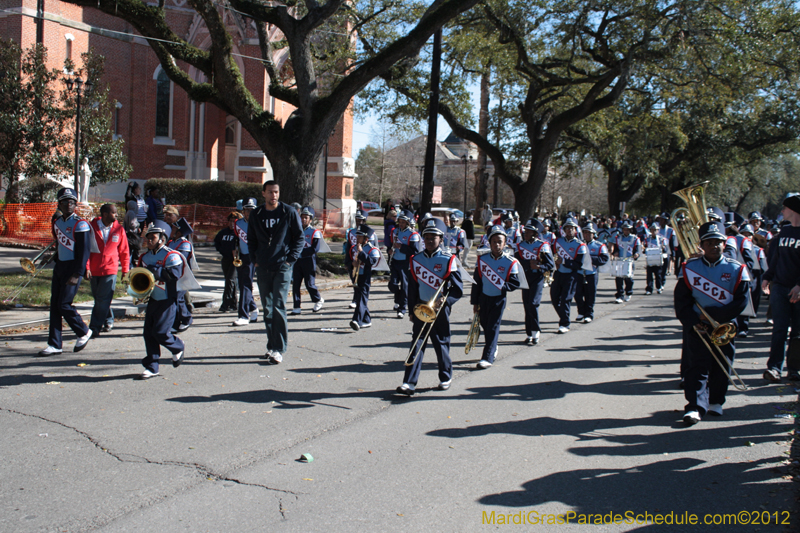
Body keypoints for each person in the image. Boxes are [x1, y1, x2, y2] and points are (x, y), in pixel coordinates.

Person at [676, 221, 749, 424]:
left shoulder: (736, 268)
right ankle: (695, 406)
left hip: (724, 325)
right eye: (710, 242)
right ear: (702, 245)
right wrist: (693, 321)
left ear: (724, 244)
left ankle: (716, 401)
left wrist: (718, 317)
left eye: (718, 242)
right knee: (696, 366)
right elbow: (681, 300)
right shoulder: (690, 268)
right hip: (698, 326)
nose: (714, 246)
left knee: (722, 364)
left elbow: (741, 301)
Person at [396, 218, 464, 395]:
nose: (429, 240)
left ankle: (445, 376)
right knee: (416, 344)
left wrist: (445, 301)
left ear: (441, 239)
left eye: (433, 237)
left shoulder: (450, 260)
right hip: (421, 307)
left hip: (440, 309)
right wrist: (411, 309)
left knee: (441, 343)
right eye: (426, 237)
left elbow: (457, 289)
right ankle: (409, 383)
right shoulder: (415, 259)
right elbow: (412, 288)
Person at [248, 181, 305, 365]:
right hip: (263, 266)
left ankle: (279, 349)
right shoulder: (256, 213)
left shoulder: (288, 212)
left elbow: (299, 237)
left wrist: (290, 260)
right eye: (271, 192)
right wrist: (254, 259)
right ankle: (271, 345)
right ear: (263, 193)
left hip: (282, 266)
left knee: (279, 306)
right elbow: (251, 239)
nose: (274, 195)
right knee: (267, 307)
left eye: (277, 192)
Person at [38, 188, 94, 356]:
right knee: (55, 305)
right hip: (60, 266)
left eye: (72, 202)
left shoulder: (81, 224)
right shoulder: (57, 223)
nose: (69, 205)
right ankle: (55, 344)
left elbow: (84, 252)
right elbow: (61, 245)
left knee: (64, 304)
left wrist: (78, 273)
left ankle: (84, 331)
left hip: (73, 268)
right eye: (65, 202)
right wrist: (52, 256)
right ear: (59, 204)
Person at [137, 221, 186, 379]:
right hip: (153, 298)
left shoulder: (171, 255)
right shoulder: (145, 257)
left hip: (167, 299)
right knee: (148, 334)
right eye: (148, 237)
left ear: (162, 239)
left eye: (153, 237)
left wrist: (155, 271)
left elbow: (174, 275)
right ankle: (152, 366)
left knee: (160, 332)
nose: (149, 240)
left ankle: (177, 347)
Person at [762, 194, 800, 382]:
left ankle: (794, 369)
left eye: (784, 208)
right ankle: (774, 368)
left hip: (798, 291)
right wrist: (767, 278)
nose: (782, 211)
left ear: (793, 210)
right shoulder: (783, 233)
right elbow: (775, 260)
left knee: (798, 332)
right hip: (779, 288)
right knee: (779, 329)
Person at [471, 225, 521, 368]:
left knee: (493, 326)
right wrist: (475, 302)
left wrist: (501, 286)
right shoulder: (482, 260)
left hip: (498, 299)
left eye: (500, 241)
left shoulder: (511, 262)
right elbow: (477, 282)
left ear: (505, 243)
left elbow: (514, 283)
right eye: (494, 241)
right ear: (489, 242)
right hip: (483, 298)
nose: (497, 244)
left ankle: (487, 357)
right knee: (485, 325)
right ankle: (493, 347)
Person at [86, 203, 130, 337]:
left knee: (102, 299)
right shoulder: (91, 227)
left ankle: (94, 327)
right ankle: (108, 319)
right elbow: (85, 250)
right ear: (105, 214)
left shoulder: (119, 229)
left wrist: (125, 271)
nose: (117, 215)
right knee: (99, 299)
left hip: (110, 269)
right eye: (114, 212)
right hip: (94, 269)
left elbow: (124, 251)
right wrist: (86, 267)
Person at [516, 218, 555, 345]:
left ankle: (535, 330)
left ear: (534, 233)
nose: (525, 233)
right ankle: (529, 333)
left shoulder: (543, 246)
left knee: (533, 303)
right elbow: (516, 262)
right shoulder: (520, 246)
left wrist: (539, 267)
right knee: (527, 305)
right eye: (525, 231)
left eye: (528, 231)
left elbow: (550, 264)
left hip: (537, 278)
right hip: (525, 277)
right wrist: (528, 264)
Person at [550, 218, 591, 333]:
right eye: (567, 228)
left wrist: (563, 261)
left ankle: (565, 323)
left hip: (572, 275)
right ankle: (564, 316)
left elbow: (578, 264)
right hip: (558, 273)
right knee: (554, 297)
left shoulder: (580, 245)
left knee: (566, 299)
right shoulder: (558, 241)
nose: (569, 230)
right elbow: (553, 255)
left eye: (571, 228)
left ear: (575, 230)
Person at [388, 210, 422, 318]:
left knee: (404, 286)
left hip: (405, 262)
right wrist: (390, 250)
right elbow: (391, 244)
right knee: (392, 284)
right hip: (395, 260)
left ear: (407, 223)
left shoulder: (413, 234)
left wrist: (401, 247)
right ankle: (398, 299)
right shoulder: (395, 231)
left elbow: (414, 251)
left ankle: (402, 309)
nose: (401, 224)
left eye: (403, 222)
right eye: (400, 222)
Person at [292, 206, 324, 314]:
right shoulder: (296, 230)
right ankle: (296, 307)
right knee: (296, 284)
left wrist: (300, 252)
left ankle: (318, 299)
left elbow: (315, 248)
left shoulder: (315, 232)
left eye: (306, 218)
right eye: (302, 217)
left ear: (310, 219)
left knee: (309, 284)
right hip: (297, 261)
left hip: (308, 261)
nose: (304, 219)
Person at [350, 226, 383, 331]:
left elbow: (372, 262)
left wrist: (361, 253)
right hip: (357, 276)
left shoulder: (372, 249)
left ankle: (356, 320)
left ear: (366, 238)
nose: (357, 238)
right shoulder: (354, 247)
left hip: (365, 276)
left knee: (361, 300)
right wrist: (353, 264)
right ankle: (367, 320)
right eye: (357, 235)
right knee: (361, 299)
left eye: (359, 236)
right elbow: (351, 259)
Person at [232, 198, 260, 326]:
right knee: (243, 283)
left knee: (245, 285)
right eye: (247, 210)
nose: (249, 212)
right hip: (242, 256)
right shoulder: (238, 223)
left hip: (253, 256)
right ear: (243, 211)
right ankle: (253, 309)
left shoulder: (259, 223)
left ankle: (243, 315)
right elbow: (236, 238)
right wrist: (235, 250)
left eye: (251, 210)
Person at [575, 222, 609, 324]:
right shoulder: (579, 244)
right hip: (580, 272)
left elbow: (604, 258)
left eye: (589, 233)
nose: (587, 235)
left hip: (591, 273)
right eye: (585, 233)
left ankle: (589, 314)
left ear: (593, 234)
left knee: (590, 294)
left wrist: (590, 259)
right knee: (578, 294)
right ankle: (581, 311)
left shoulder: (599, 245)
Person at [214, 212, 241, 313]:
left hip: (236, 260)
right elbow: (217, 242)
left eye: (234, 222)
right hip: (226, 259)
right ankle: (234, 303)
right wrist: (222, 250)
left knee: (230, 280)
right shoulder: (223, 232)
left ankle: (225, 304)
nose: (231, 223)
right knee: (230, 281)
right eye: (230, 221)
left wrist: (237, 252)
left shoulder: (238, 233)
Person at [612, 221, 640, 303]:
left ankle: (628, 293)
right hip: (620, 260)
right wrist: (615, 253)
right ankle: (620, 295)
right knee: (619, 278)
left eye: (627, 230)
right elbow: (615, 248)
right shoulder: (618, 238)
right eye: (624, 230)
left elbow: (637, 250)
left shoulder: (635, 238)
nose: (626, 231)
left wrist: (636, 254)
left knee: (629, 278)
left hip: (629, 260)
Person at [644, 223, 669, 295]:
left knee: (658, 275)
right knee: (649, 275)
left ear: (658, 231)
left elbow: (665, 249)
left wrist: (663, 248)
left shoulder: (661, 239)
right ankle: (649, 289)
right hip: (650, 259)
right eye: (652, 230)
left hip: (658, 260)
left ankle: (659, 287)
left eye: (655, 230)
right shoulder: (647, 239)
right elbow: (644, 248)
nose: (654, 232)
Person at [123, 200, 141, 268]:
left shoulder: (128, 212)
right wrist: (138, 224)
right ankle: (129, 266)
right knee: (131, 251)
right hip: (131, 235)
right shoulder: (131, 213)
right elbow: (132, 224)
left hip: (128, 234)